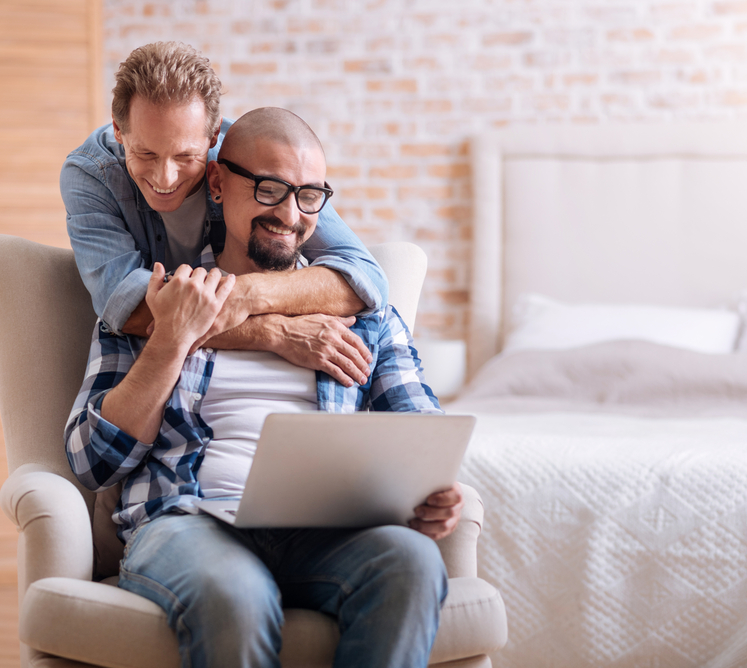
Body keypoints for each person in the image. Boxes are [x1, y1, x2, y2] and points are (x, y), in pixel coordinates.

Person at [64, 107, 464, 668]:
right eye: (271, 189)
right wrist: (173, 339)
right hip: (190, 519)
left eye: (309, 197)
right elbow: (92, 462)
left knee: (412, 563)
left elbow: (420, 429)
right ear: (219, 184)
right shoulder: (154, 303)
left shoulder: (364, 314)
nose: (290, 215)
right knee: (236, 595)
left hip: (329, 530)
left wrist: (436, 490)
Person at [61, 41, 386, 387]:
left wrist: (247, 295)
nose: (164, 178)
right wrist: (273, 331)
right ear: (118, 130)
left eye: (186, 157)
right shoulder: (91, 173)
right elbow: (127, 306)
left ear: (213, 136)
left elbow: (364, 278)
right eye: (146, 154)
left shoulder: (248, 161)